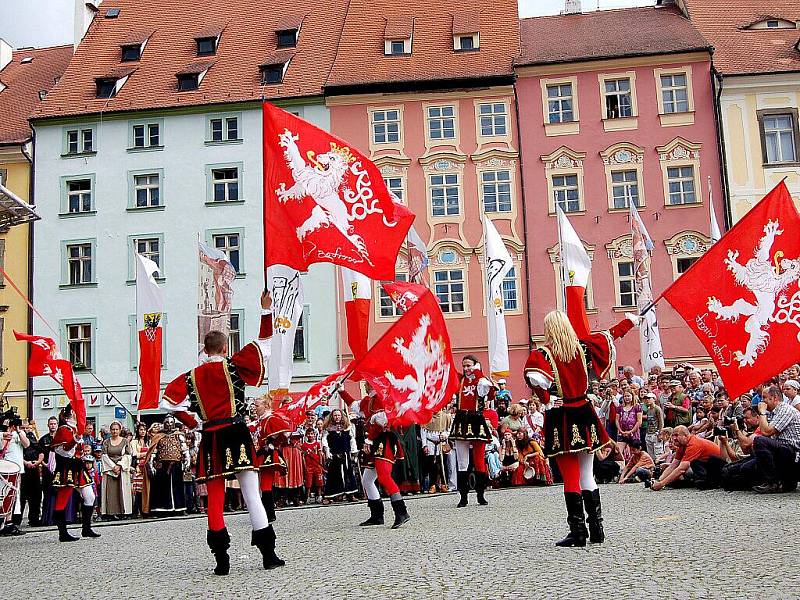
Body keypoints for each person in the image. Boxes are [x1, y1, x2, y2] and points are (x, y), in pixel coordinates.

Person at [161, 291, 282, 575]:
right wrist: (265, 311)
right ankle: (268, 555)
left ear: (205, 349)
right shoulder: (234, 367)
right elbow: (264, 345)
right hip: (236, 431)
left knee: (215, 499)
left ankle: (221, 561)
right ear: (225, 348)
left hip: (211, 435)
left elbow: (166, 402)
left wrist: (191, 422)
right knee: (251, 493)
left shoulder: (190, 376)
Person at [524, 298, 637, 547]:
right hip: (584, 412)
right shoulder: (583, 349)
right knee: (588, 473)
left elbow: (535, 382)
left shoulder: (542, 355)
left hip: (562, 415)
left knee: (571, 476)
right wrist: (629, 322)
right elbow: (611, 335)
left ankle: (578, 532)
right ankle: (597, 529)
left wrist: (547, 398)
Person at [357, 390, 409, 529]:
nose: (366, 384)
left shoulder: (383, 397)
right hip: (374, 440)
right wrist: (342, 391)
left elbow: (381, 422)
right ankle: (377, 515)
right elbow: (355, 405)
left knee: (384, 477)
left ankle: (401, 512)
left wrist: (368, 440)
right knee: (367, 481)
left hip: (384, 441)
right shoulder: (369, 400)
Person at [49, 405, 100, 542]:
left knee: (89, 496)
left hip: (78, 466)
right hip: (67, 468)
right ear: (70, 414)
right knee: (62, 500)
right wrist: (76, 440)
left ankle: (86, 528)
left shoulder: (76, 428)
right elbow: (63, 450)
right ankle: (62, 532)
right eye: (75, 412)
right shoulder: (63, 429)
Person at [450, 355, 494, 508]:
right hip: (461, 419)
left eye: (469, 365)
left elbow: (490, 393)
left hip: (476, 419)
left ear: (476, 365)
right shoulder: (460, 380)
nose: (466, 369)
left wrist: (479, 373)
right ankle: (463, 497)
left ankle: (481, 495)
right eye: (464, 366)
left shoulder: (481, 381)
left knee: (479, 460)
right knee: (462, 461)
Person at [751, 385, 800, 493]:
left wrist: (762, 412)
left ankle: (773, 482)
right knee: (742, 469)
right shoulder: (773, 412)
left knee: (759, 441)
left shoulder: (785, 409)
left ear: (775, 398)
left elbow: (766, 432)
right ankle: (784, 482)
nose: (762, 401)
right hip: (782, 448)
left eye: (764, 398)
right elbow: (764, 431)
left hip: (793, 450)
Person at [251, 395, 289, 522]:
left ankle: (269, 513)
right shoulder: (260, 421)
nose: (254, 408)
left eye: (257, 405)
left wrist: (272, 442)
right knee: (262, 485)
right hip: (260, 454)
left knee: (266, 484)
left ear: (266, 406)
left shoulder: (271, 418)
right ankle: (265, 512)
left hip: (268, 455)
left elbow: (283, 431)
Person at [650, 426, 723, 491]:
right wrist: (659, 480)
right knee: (677, 474)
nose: (674, 438)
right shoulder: (681, 445)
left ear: (686, 435)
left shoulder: (693, 444)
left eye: (676, 435)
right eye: (673, 435)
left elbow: (681, 469)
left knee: (687, 469)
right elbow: (673, 466)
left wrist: (662, 484)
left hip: (717, 468)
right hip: (705, 466)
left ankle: (707, 482)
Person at [147, 415, 189, 516]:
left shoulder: (179, 435)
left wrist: (187, 460)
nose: (169, 425)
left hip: (176, 465)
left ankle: (179, 508)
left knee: (177, 487)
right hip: (162, 466)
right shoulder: (158, 436)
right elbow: (153, 452)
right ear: (164, 424)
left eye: (171, 422)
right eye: (167, 422)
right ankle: (163, 510)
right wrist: (151, 464)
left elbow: (184, 449)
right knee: (162, 488)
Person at [0, 412, 30, 535]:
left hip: (17, 468)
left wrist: (18, 431)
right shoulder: (2, 434)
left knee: (13, 496)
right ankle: (4, 521)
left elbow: (27, 444)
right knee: (3, 495)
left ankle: (9, 522)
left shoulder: (19, 433)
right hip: (4, 468)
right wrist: (4, 433)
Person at [321, 408, 359, 504]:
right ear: (332, 417)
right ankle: (331, 496)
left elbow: (352, 439)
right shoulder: (328, 429)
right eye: (335, 415)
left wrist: (354, 452)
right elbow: (324, 440)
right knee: (333, 475)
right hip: (334, 455)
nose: (337, 417)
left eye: (338, 415)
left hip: (346, 454)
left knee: (349, 474)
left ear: (341, 416)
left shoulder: (347, 427)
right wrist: (327, 451)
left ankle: (351, 494)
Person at [100, 421, 133, 518]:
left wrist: (119, 465)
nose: (115, 431)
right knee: (110, 491)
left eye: (116, 429)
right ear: (110, 430)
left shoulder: (125, 441)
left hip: (121, 469)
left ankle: (123, 512)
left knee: (122, 490)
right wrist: (112, 466)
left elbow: (128, 455)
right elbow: (104, 455)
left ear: (120, 430)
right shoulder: (106, 442)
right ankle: (110, 512)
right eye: (113, 429)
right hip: (110, 469)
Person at [421, 409, 452, 493]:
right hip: (430, 443)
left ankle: (444, 484)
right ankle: (432, 485)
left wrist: (445, 435)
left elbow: (449, 429)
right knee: (432, 465)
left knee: (443, 465)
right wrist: (424, 445)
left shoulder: (445, 416)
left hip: (441, 443)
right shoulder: (427, 417)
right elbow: (423, 431)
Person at [20, 419, 44, 527]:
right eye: (23, 428)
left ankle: (34, 519)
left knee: (36, 496)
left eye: (27, 428)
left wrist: (38, 462)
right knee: (21, 497)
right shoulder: (19, 438)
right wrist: (26, 463)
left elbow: (40, 451)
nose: (26, 430)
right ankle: (16, 520)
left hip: (34, 469)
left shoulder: (32, 437)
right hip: (23, 470)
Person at [38, 416, 58, 526]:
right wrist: (47, 466)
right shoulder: (43, 439)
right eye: (51, 424)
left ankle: (58, 518)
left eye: (55, 424)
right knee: (47, 494)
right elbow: (40, 456)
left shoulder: (61, 437)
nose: (53, 426)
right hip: (47, 471)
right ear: (48, 425)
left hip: (58, 471)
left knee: (58, 494)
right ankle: (46, 519)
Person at [615, 391, 642, 460]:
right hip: (622, 433)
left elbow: (639, 421)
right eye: (625, 396)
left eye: (628, 396)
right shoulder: (620, 407)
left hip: (633, 433)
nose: (627, 398)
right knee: (617, 451)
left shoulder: (637, 407)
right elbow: (617, 420)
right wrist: (621, 431)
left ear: (632, 396)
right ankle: (621, 467)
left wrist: (631, 431)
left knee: (634, 452)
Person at [130, 422, 150, 517]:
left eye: (144, 430)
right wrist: (145, 454)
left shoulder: (148, 441)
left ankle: (144, 510)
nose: (143, 432)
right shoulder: (134, 442)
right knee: (138, 490)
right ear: (138, 430)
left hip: (146, 467)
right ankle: (135, 510)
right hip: (138, 467)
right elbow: (134, 454)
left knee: (145, 489)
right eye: (141, 430)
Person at [301, 428, 325, 503]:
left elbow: (320, 455)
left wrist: (321, 465)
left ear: (315, 435)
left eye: (312, 434)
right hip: (309, 466)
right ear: (306, 435)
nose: (310, 435)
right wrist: (304, 466)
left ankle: (320, 495)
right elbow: (303, 457)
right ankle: (307, 497)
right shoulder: (304, 445)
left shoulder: (317, 444)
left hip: (317, 466)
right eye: (308, 434)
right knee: (308, 483)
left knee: (319, 482)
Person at [642, 393, 664, 459]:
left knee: (658, 453)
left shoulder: (657, 408)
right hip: (649, 432)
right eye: (646, 398)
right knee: (650, 453)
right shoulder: (648, 409)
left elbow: (661, 421)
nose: (647, 400)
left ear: (654, 399)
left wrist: (659, 433)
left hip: (655, 433)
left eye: (649, 398)